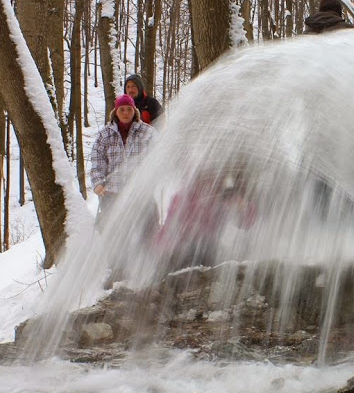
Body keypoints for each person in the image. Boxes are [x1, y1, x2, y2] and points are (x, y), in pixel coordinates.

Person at [155, 168, 257, 271]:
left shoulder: (222, 199)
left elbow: (246, 222)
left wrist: (242, 206)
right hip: (183, 251)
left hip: (206, 251)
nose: (219, 179)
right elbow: (167, 232)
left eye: (221, 176)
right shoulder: (183, 198)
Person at [91, 94, 157, 228]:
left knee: (146, 234)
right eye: (122, 109)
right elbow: (97, 161)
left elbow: (158, 157)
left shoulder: (148, 132)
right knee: (114, 235)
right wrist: (98, 183)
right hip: (112, 194)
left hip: (140, 194)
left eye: (129, 109)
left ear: (135, 111)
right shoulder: (105, 134)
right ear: (115, 111)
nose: (126, 113)